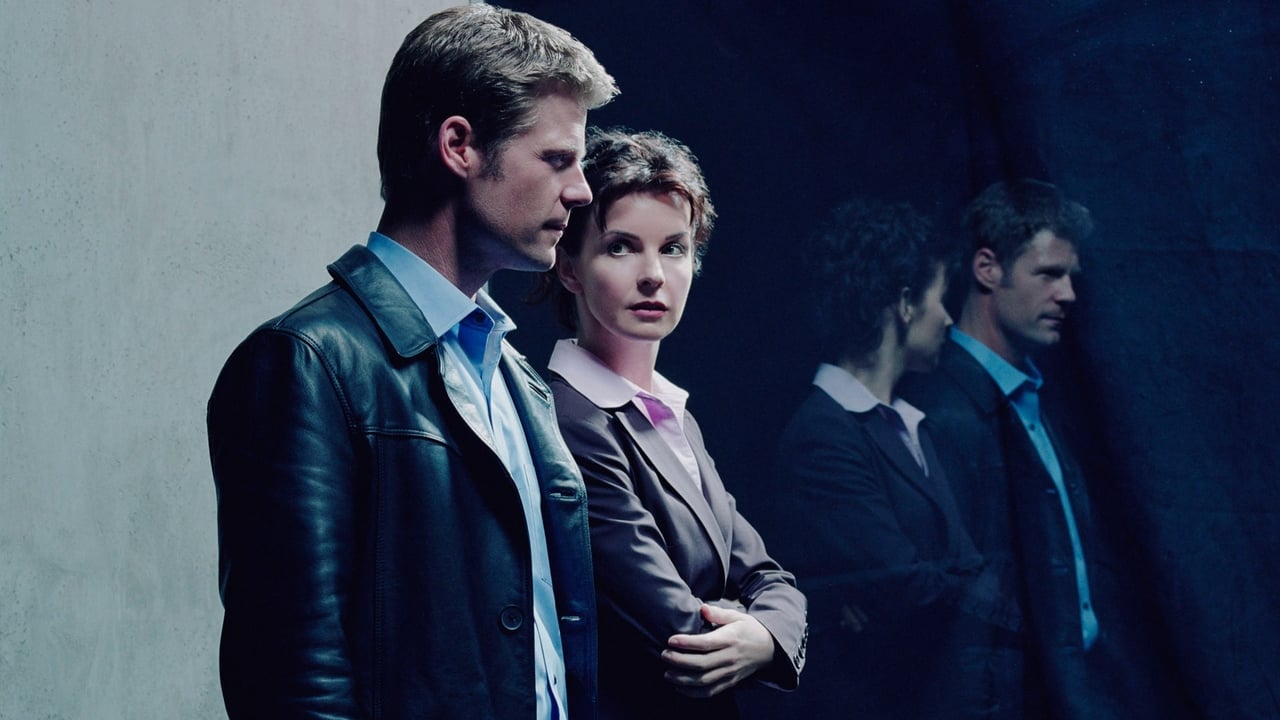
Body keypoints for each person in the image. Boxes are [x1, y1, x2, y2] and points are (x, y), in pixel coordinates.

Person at [206, 5, 617, 718]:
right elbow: (291, 678)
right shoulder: (307, 363)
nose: (581, 190)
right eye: (557, 158)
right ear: (459, 146)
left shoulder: (517, 378)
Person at [539, 128, 807, 719]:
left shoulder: (672, 414)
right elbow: (679, 632)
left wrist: (766, 637)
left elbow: (770, 577)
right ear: (569, 267)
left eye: (674, 248)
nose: (653, 274)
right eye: (621, 247)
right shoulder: (569, 418)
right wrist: (752, 627)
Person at [765, 199, 1020, 719]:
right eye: (939, 298)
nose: (947, 318)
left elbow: (961, 569)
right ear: (904, 303)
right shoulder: (823, 435)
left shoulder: (910, 424)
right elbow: (909, 588)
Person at [900, 178, 1114, 719]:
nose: (1067, 294)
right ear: (987, 269)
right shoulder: (942, 410)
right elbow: (951, 606)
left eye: (1070, 276)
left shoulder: (1031, 397)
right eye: (1048, 274)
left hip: (1065, 691)